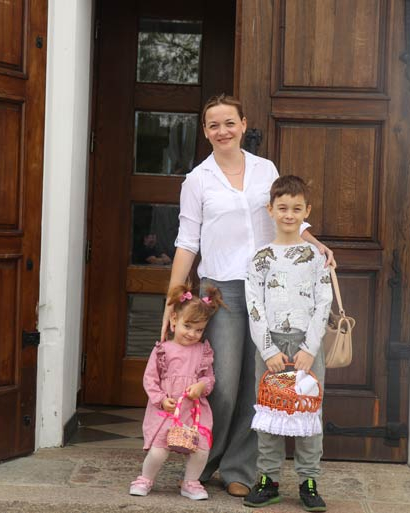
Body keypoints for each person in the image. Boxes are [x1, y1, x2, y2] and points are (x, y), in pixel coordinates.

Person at [161, 94, 335, 497]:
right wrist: (173, 298)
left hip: (271, 288)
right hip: (221, 290)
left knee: (257, 383)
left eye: (229, 123)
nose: (223, 131)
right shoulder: (198, 180)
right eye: (214, 125)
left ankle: (239, 469)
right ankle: (205, 459)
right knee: (222, 382)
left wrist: (316, 244)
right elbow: (187, 241)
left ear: (242, 125)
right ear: (205, 132)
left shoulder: (264, 169)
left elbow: (284, 214)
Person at [243, 175, 332, 512]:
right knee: (270, 412)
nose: (289, 214)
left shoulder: (315, 257)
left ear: (306, 211)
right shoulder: (260, 258)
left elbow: (323, 303)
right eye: (282, 208)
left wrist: (309, 349)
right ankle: (268, 480)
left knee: (309, 412)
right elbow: (254, 306)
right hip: (272, 348)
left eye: (296, 208)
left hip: (306, 346)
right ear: (270, 210)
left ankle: (309, 481)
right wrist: (268, 350)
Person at [130, 284, 224, 500]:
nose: (192, 334)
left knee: (201, 450)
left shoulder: (203, 351)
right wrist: (161, 400)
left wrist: (201, 386)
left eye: (199, 330)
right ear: (174, 320)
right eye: (187, 326)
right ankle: (145, 478)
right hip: (167, 411)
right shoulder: (162, 350)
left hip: (194, 411)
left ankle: (190, 482)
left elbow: (209, 378)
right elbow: (150, 379)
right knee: (159, 450)